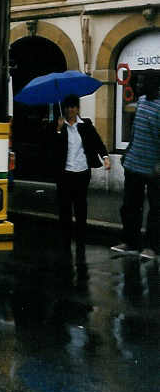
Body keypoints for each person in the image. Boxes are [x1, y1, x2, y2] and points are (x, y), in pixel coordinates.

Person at [112, 72, 160, 260]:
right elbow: (134, 131)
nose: (138, 84)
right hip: (133, 163)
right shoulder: (140, 102)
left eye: (141, 81)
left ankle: (151, 247)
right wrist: (127, 153)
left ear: (152, 84)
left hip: (153, 168)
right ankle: (130, 242)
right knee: (130, 207)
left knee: (156, 210)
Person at [51, 94, 110, 243]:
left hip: (82, 172)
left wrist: (105, 157)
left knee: (80, 205)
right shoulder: (58, 126)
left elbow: (97, 142)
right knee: (64, 207)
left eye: (73, 107)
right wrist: (58, 130)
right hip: (65, 173)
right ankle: (65, 237)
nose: (70, 110)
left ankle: (81, 236)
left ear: (78, 109)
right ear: (63, 109)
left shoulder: (86, 124)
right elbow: (52, 150)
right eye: (67, 107)